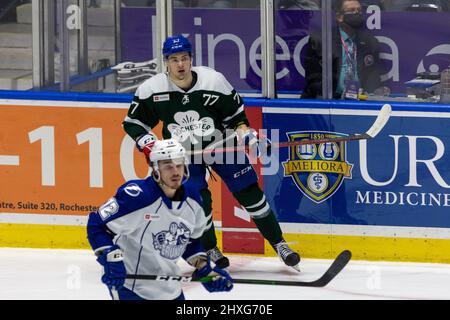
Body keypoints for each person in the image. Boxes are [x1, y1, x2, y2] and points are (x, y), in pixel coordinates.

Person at [122, 35, 301, 271]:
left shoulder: (213, 81)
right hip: (183, 155)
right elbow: (133, 122)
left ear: (191, 59)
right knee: (199, 204)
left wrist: (246, 134)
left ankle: (280, 244)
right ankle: (210, 248)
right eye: (174, 60)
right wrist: (147, 143)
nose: (180, 65)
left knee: (251, 196)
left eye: (184, 58)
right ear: (166, 62)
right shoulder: (152, 89)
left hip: (222, 145)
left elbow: (237, 118)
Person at [87, 139, 233, 300]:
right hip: (130, 287)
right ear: (156, 169)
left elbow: (190, 242)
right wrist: (111, 258)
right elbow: (97, 224)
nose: (175, 171)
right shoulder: (138, 196)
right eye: (168, 166)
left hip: (170, 289)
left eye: (179, 165)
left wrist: (205, 269)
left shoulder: (194, 198)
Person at [302, 0, 384, 99]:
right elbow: (314, 79)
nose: (357, 13)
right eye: (352, 10)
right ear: (339, 17)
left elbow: (373, 77)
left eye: (359, 10)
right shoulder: (321, 41)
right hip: (327, 101)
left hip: (359, 101)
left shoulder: (370, 42)